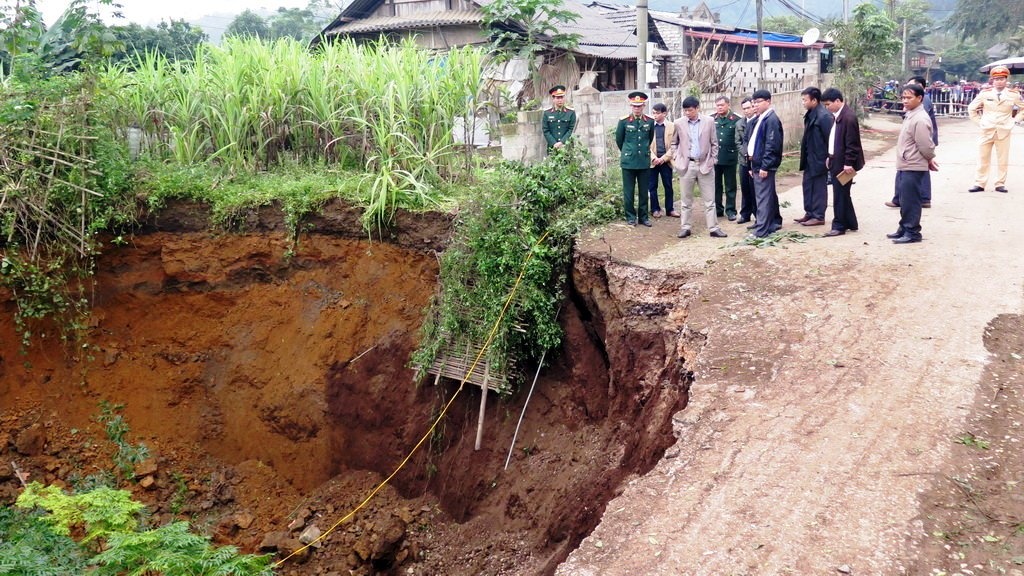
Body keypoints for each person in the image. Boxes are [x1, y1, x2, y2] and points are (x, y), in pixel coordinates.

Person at [887, 83, 938, 244]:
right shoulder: (911, 114)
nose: (905, 100)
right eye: (903, 97)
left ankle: (913, 231)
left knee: (911, 200)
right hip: (906, 162)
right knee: (904, 198)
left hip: (913, 164)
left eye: (909, 97)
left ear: (919, 98)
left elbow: (925, 144)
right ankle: (904, 227)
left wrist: (929, 158)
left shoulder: (920, 118)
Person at [671, 96, 727, 238]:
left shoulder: (709, 122)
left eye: (690, 110)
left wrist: (713, 159)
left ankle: (713, 228)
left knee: (709, 200)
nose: (687, 113)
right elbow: (674, 143)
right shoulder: (678, 123)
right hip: (687, 165)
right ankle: (685, 227)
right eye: (685, 111)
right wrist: (676, 157)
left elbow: (714, 142)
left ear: (697, 108)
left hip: (705, 164)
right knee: (686, 200)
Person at [967, 65, 1023, 193]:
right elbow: (972, 108)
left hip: (1004, 129)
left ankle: (1000, 183)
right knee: (983, 157)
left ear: (1006, 79)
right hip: (986, 129)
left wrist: (1016, 120)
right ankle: (980, 183)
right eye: (996, 79)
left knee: (1003, 158)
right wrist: (979, 122)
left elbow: (1022, 108)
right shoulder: (985, 94)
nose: (999, 81)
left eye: (1002, 79)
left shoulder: (1013, 95)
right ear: (992, 80)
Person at [821, 87, 864, 237]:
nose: (826, 108)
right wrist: (830, 156)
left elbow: (852, 144)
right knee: (843, 193)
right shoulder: (838, 115)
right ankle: (851, 222)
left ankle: (839, 225)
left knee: (839, 194)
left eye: (828, 104)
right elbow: (835, 139)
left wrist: (849, 163)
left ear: (837, 101)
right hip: (835, 159)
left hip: (843, 163)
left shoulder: (848, 117)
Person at [746, 89, 783, 238]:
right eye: (754, 102)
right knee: (767, 196)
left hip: (763, 165)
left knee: (763, 198)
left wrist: (765, 166)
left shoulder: (771, 119)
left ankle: (761, 230)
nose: (756, 105)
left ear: (768, 101)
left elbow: (772, 145)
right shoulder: (761, 118)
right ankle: (771, 224)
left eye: (759, 102)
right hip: (756, 164)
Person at [615, 91, 655, 226]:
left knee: (644, 191)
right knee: (629, 191)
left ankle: (643, 217)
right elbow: (619, 140)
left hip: (643, 161)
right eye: (634, 106)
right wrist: (629, 152)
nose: (637, 108)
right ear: (631, 106)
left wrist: (641, 152)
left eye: (639, 106)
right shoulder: (624, 121)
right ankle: (630, 217)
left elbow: (649, 139)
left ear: (643, 105)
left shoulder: (649, 121)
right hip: (628, 162)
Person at [796, 86, 833, 227]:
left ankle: (818, 215)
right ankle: (809, 212)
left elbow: (830, 138)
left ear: (815, 100)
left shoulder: (824, 116)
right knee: (807, 186)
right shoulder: (810, 114)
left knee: (818, 188)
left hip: (819, 159)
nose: (803, 103)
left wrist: (828, 158)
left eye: (805, 100)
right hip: (809, 158)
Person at [713, 96, 742, 221]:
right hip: (715, 158)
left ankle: (731, 210)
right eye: (717, 105)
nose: (719, 107)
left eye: (722, 105)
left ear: (728, 105)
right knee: (716, 185)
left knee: (730, 186)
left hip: (730, 157)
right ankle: (718, 209)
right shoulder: (711, 119)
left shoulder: (736, 119)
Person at [648, 102, 678, 218]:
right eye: (653, 113)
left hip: (666, 161)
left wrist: (664, 158)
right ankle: (655, 209)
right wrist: (654, 158)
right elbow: (646, 144)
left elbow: (674, 145)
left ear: (664, 113)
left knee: (668, 185)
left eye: (658, 113)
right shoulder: (649, 125)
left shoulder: (672, 126)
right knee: (652, 186)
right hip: (652, 162)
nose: (655, 115)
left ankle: (670, 209)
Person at [736, 97, 757, 225]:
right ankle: (745, 214)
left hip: (755, 161)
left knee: (755, 189)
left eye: (748, 108)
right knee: (745, 188)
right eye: (744, 109)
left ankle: (758, 214)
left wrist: (752, 155)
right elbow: (738, 142)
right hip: (743, 161)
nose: (746, 111)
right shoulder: (739, 124)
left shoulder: (758, 122)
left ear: (753, 107)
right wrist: (745, 153)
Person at [542, 85, 576, 151]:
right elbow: (546, 130)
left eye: (562, 97)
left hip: (567, 147)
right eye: (558, 98)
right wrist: (554, 143)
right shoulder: (547, 113)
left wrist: (562, 142)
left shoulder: (571, 113)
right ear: (553, 99)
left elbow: (571, 130)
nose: (560, 100)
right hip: (553, 148)